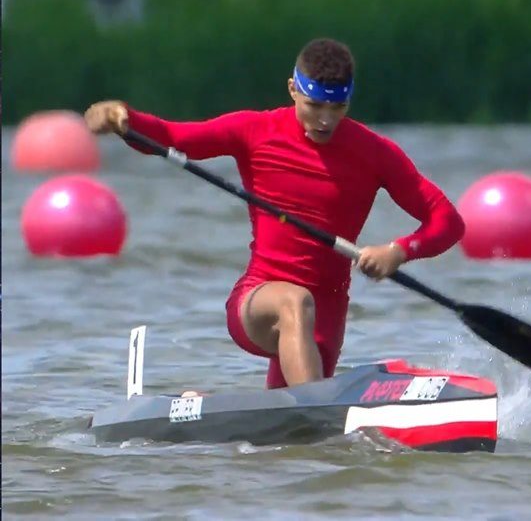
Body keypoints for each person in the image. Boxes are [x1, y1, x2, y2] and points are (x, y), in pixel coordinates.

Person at [85, 38, 465, 389]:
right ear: (292, 89)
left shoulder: (375, 153)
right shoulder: (255, 131)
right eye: (314, 105)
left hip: (327, 318)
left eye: (338, 107)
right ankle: (319, 412)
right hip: (258, 301)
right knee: (295, 303)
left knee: (293, 443)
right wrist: (123, 118)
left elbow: (448, 221)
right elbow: (173, 137)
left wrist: (399, 251)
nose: (325, 120)